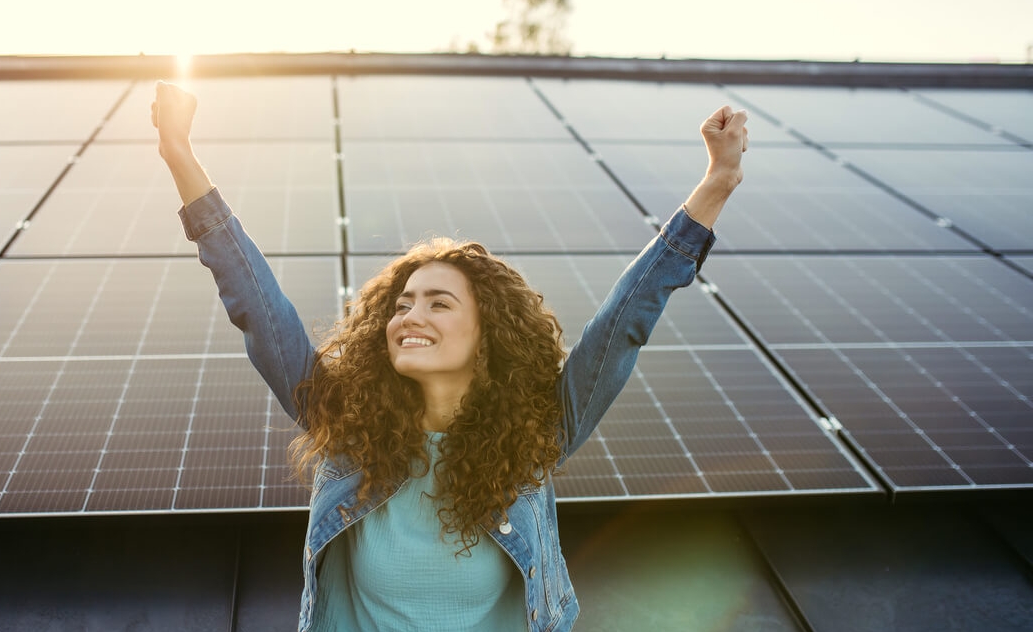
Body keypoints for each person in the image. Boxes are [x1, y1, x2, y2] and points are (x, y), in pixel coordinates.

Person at [152, 80, 747, 632]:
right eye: (403, 304)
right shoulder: (348, 431)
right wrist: (180, 153)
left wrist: (716, 181)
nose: (410, 317)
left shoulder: (537, 436)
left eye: (439, 304)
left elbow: (625, 320)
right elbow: (257, 306)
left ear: (488, 334)